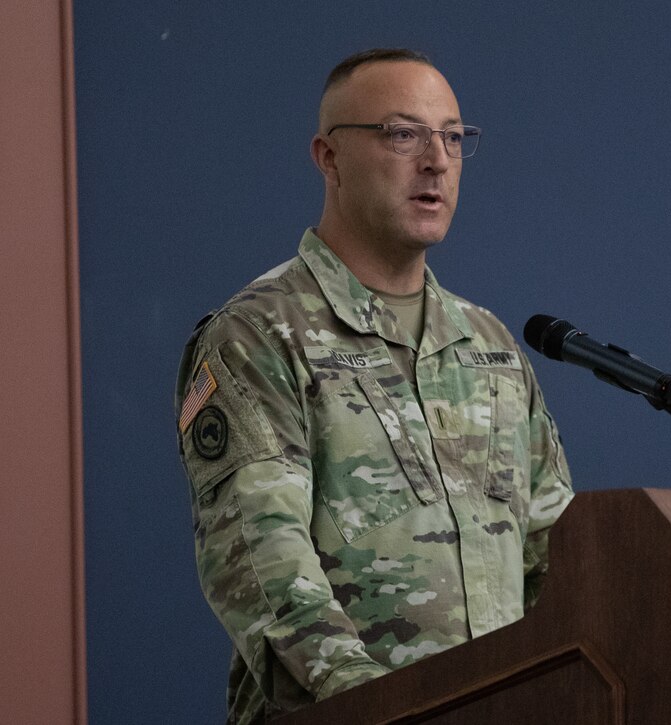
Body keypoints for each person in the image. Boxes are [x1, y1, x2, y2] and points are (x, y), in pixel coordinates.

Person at [174, 48, 574, 724]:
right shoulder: (258, 335)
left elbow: (557, 566)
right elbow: (264, 570)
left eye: (452, 136)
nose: (437, 160)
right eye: (402, 133)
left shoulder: (492, 348)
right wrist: (394, 710)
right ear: (329, 158)